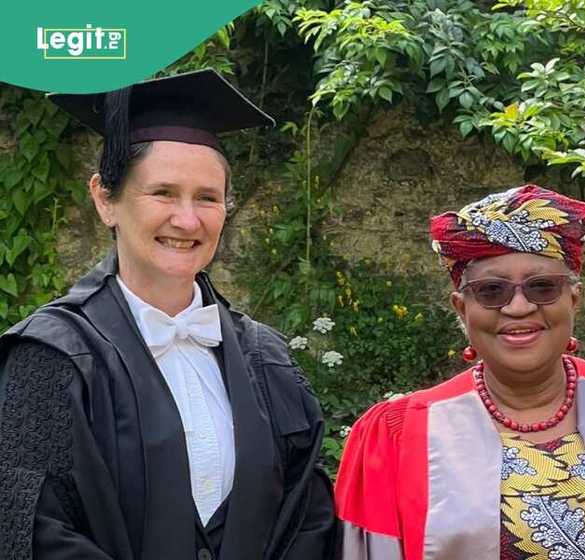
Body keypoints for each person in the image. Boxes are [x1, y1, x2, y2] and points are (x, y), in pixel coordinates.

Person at [0, 70, 339, 559]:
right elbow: (32, 529)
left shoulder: (268, 360)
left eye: (207, 197)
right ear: (104, 199)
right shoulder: (49, 358)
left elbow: (308, 518)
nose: (187, 219)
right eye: (163, 192)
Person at [334, 185, 585, 559]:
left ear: (575, 298)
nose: (518, 308)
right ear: (461, 307)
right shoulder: (393, 437)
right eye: (491, 291)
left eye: (542, 287)